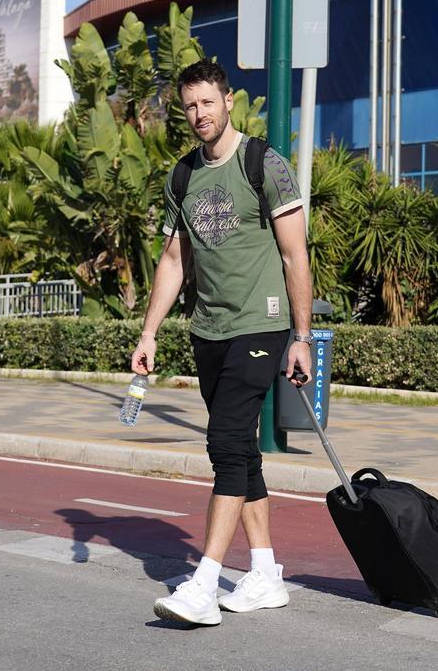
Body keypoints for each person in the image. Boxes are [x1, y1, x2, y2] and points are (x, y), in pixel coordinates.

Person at [130, 59, 313, 626]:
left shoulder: (264, 164)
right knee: (241, 454)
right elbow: (175, 258)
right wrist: (150, 332)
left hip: (260, 324)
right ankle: (264, 574)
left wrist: (301, 338)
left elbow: (294, 255)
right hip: (207, 330)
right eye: (189, 106)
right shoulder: (182, 175)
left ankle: (204, 582)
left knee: (226, 443)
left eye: (207, 103)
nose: (198, 114)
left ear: (228, 101)